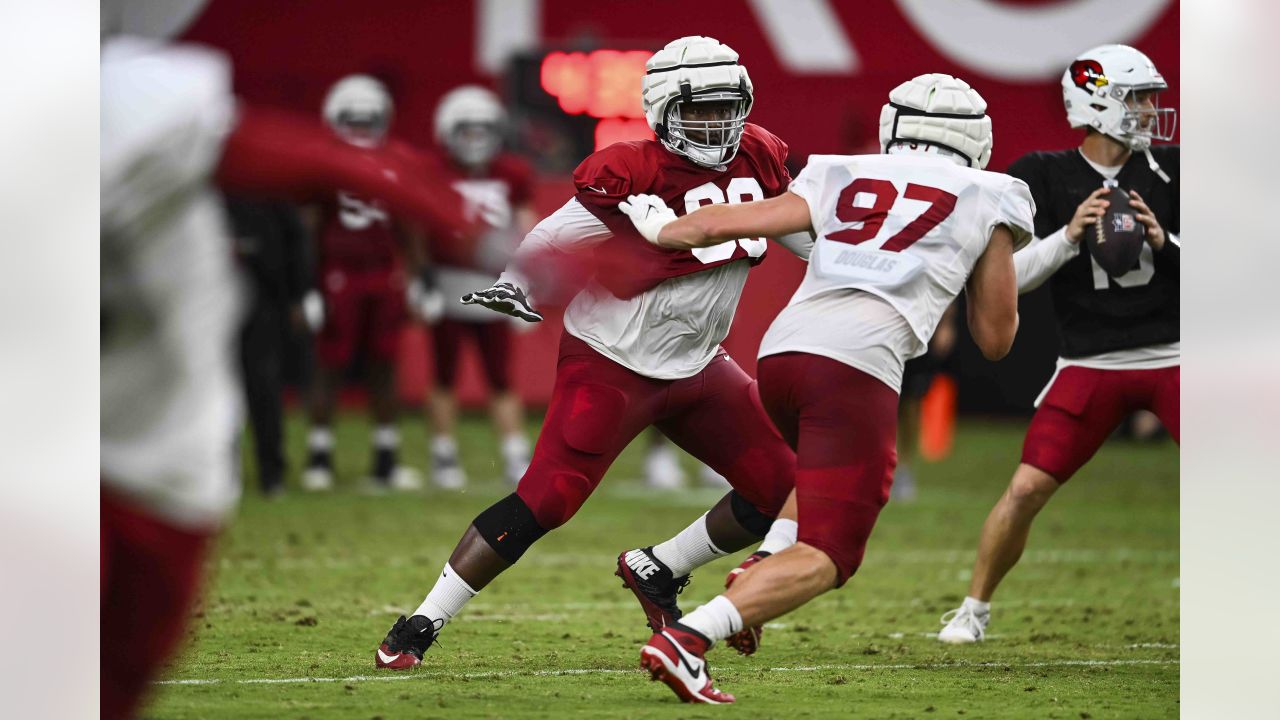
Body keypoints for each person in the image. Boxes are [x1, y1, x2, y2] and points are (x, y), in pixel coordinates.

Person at [372, 35, 808, 670]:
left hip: (699, 363)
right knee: (549, 498)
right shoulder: (634, 171)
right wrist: (515, 285)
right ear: (662, 111)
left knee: (784, 487)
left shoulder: (760, 160)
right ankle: (423, 619)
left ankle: (659, 568)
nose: (716, 124)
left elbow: (801, 236)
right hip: (611, 360)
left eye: (727, 107)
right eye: (699, 110)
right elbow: (556, 234)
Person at [615, 73, 1031, 703]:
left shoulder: (840, 169)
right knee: (831, 556)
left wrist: (658, 227)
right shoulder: (992, 192)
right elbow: (996, 337)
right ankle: (690, 638)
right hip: (855, 368)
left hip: (782, 355)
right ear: (977, 139)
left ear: (893, 129)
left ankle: (761, 563)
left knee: (816, 484)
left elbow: (716, 226)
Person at [101, 18, 471, 718]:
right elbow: (305, 206)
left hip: (159, 438)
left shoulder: (139, 106)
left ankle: (362, 455)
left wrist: (441, 255)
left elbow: (387, 209)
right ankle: (322, 454)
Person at [937, 44, 1178, 644]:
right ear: (1098, 102)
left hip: (1177, 357)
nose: (1151, 110)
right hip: (1089, 361)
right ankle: (972, 610)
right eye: (1138, 98)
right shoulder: (1039, 175)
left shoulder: (1177, 170)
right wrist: (1069, 236)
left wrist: (1163, 243)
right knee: (1025, 488)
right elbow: (1004, 279)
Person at [300, 75, 426, 493]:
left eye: (366, 118)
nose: (359, 127)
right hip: (339, 271)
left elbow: (410, 222)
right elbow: (309, 226)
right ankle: (318, 456)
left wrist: (419, 275)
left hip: (382, 270)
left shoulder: (398, 159)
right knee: (329, 364)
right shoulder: (321, 162)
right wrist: (308, 285)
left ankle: (385, 459)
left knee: (384, 364)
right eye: (351, 119)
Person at [420, 85, 535, 488]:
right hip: (448, 281)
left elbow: (525, 227)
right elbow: (419, 228)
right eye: (465, 131)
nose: (474, 140)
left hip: (495, 286)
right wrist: (423, 279)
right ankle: (443, 455)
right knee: (444, 375)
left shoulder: (512, 172)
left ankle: (515, 453)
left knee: (501, 376)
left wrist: (523, 279)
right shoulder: (432, 170)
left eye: (481, 130)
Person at [227, 196, 312, 497]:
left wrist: (298, 295)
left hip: (264, 299)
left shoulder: (270, 191)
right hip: (215, 302)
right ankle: (225, 471)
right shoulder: (208, 187)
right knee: (221, 390)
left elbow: (296, 240)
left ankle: (272, 472)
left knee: (263, 385)